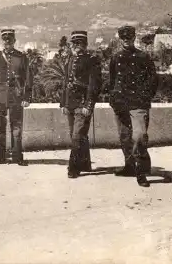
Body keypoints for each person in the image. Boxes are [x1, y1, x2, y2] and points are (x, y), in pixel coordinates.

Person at [108, 25, 159, 187]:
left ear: (134, 38)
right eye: (123, 38)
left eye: (129, 38)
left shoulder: (143, 57)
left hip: (138, 104)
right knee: (124, 137)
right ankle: (130, 166)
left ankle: (142, 171)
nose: (126, 41)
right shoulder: (116, 58)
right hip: (121, 103)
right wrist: (113, 97)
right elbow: (112, 80)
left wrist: (145, 97)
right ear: (119, 38)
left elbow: (153, 81)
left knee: (139, 136)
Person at [0, 29, 32, 165]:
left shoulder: (21, 57)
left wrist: (27, 97)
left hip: (16, 97)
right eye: (5, 40)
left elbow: (28, 78)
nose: (7, 43)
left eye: (10, 40)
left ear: (14, 41)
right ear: (2, 41)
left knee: (16, 127)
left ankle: (17, 156)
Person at [60, 31, 103, 178]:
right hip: (71, 103)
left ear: (85, 44)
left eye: (80, 43)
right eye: (74, 43)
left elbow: (94, 85)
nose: (76, 46)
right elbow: (66, 83)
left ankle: (73, 168)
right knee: (79, 135)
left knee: (77, 136)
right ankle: (85, 164)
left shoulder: (92, 60)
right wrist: (64, 104)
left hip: (83, 103)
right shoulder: (70, 59)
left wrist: (88, 105)